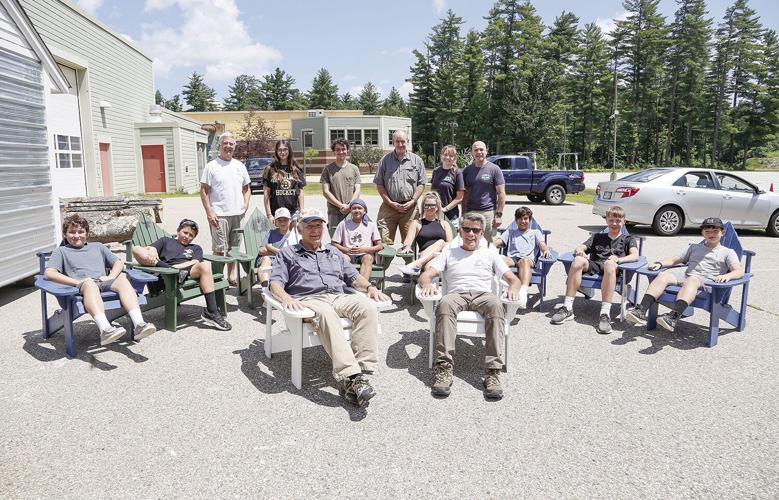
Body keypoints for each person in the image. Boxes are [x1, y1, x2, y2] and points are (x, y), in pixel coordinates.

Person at [269, 208, 390, 406]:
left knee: (367, 306)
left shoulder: (333, 252)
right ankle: (350, 377)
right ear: (299, 228)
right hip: (309, 299)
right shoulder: (288, 254)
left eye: (319, 225)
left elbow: (352, 277)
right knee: (326, 314)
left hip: (338, 296)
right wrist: (285, 299)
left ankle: (362, 368)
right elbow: (275, 283)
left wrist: (370, 287)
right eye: (310, 226)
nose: (315, 230)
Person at [418, 212, 521, 400]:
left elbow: (512, 279)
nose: (471, 234)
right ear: (460, 231)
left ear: (482, 233)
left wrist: (514, 289)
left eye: (475, 230)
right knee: (444, 304)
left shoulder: (490, 253)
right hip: (456, 294)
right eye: (467, 229)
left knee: (497, 306)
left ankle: (492, 372)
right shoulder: (449, 252)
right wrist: (426, 285)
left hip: (484, 295)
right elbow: (427, 274)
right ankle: (444, 369)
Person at [44, 214, 156, 345]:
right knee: (90, 284)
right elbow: (49, 273)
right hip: (83, 286)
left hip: (104, 281)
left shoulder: (98, 246)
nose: (76, 235)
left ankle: (139, 325)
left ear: (87, 233)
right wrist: (77, 282)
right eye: (72, 232)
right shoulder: (61, 251)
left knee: (123, 280)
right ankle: (105, 330)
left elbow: (118, 263)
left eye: (81, 231)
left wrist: (111, 277)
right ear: (65, 234)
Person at [626, 217, 743, 332]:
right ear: (702, 233)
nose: (711, 234)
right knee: (663, 275)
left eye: (715, 231)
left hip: (708, 283)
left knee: (692, 280)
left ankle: (673, 318)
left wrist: (727, 276)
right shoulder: (694, 247)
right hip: (687, 278)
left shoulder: (728, 252)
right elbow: (674, 260)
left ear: (723, 232)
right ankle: (640, 311)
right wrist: (660, 263)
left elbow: (738, 271)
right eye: (707, 231)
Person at [550, 206, 639, 334]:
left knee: (609, 264)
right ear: (606, 220)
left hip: (613, 268)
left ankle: (605, 313)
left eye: (618, 221)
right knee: (577, 261)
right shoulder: (597, 236)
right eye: (611, 220)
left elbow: (635, 255)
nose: (614, 223)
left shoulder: (628, 239)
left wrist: (619, 260)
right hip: (595, 265)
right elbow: (581, 246)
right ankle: (567, 307)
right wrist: (580, 251)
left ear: (624, 221)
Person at [132, 218, 231, 331]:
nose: (187, 236)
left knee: (205, 266)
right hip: (165, 276)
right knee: (136, 249)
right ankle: (168, 268)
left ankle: (212, 311)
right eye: (185, 232)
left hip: (185, 273)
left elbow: (195, 262)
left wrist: (177, 268)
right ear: (178, 231)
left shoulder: (195, 248)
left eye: (191, 235)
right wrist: (153, 250)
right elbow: (149, 249)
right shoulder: (165, 241)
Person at [200, 132, 250, 285]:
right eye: (225, 143)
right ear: (220, 146)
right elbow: (204, 190)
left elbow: (247, 188)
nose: (228, 146)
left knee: (233, 249)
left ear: (234, 147)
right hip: (219, 215)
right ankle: (217, 279)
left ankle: (232, 276)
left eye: (231, 144)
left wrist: (245, 205)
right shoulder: (211, 166)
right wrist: (209, 212)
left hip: (237, 214)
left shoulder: (239, 166)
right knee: (220, 249)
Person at [373, 130, 427, 245]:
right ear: (393, 142)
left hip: (410, 209)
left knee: (410, 243)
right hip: (388, 208)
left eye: (403, 141)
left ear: (407, 141)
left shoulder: (417, 160)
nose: (400, 144)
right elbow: (379, 184)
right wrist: (390, 203)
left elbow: (421, 184)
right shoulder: (385, 161)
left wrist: (412, 201)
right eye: (397, 141)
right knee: (383, 241)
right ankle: (383, 263)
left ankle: (410, 263)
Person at [492, 206, 551, 309]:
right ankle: (502, 288)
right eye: (520, 219)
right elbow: (499, 242)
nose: (523, 221)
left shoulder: (535, 232)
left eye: (525, 219)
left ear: (530, 220)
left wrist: (545, 250)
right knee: (500, 260)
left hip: (528, 260)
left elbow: (542, 244)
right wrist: (489, 246)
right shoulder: (510, 232)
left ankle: (523, 293)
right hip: (512, 258)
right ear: (516, 220)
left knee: (524, 261)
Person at [398, 192, 453, 274]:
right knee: (430, 266)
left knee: (440, 243)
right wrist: (407, 247)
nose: (429, 207)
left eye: (432, 205)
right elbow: (408, 241)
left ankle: (416, 265)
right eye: (426, 205)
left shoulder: (444, 224)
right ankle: (420, 268)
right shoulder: (416, 223)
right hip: (424, 254)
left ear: (437, 207)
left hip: (441, 255)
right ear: (423, 207)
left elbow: (450, 243)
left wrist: (439, 246)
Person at [331, 199, 383, 282]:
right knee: (343, 258)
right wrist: (345, 249)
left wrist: (364, 249)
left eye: (359, 208)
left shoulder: (371, 225)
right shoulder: (343, 224)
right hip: (348, 253)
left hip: (364, 253)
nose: (357, 210)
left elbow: (380, 246)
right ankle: (344, 284)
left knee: (368, 258)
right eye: (354, 208)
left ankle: (362, 285)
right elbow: (334, 243)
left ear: (365, 211)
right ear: (350, 210)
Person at [462, 141, 505, 240]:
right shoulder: (467, 171)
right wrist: (463, 214)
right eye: (476, 150)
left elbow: (501, 193)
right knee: (470, 242)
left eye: (481, 149)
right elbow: (464, 195)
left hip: (488, 213)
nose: (479, 152)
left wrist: (498, 215)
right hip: (470, 213)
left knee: (490, 244)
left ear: (486, 151)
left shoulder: (494, 169)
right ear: (472, 153)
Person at [320, 138, 361, 229]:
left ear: (347, 150)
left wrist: (349, 206)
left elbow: (357, 190)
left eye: (343, 149)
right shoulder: (327, 169)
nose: (341, 152)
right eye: (337, 149)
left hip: (352, 211)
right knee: (336, 240)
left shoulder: (354, 169)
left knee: (352, 239)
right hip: (334, 212)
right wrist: (341, 205)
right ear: (334, 152)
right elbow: (325, 192)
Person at [255, 207, 300, 288]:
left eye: (285, 220)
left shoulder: (294, 235)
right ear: (275, 222)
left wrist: (271, 248)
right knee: (266, 259)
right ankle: (265, 286)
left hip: (286, 261)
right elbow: (261, 250)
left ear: (290, 220)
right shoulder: (272, 233)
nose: (282, 223)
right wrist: (278, 252)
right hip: (270, 259)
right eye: (280, 220)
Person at [263, 139, 305, 221]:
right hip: (277, 213)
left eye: (285, 149)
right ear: (276, 151)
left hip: (294, 213)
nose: (283, 152)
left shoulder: (297, 168)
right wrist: (269, 215)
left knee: (294, 234)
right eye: (280, 150)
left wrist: (302, 210)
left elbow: (300, 191)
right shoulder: (270, 169)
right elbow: (266, 194)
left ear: (289, 150)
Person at [430, 145, 464, 228]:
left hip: (451, 216)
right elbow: (432, 192)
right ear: (441, 156)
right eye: (445, 154)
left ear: (454, 158)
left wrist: (445, 209)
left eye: (451, 155)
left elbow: (460, 197)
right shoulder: (436, 171)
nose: (447, 157)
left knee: (451, 240)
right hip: (435, 214)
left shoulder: (457, 173)